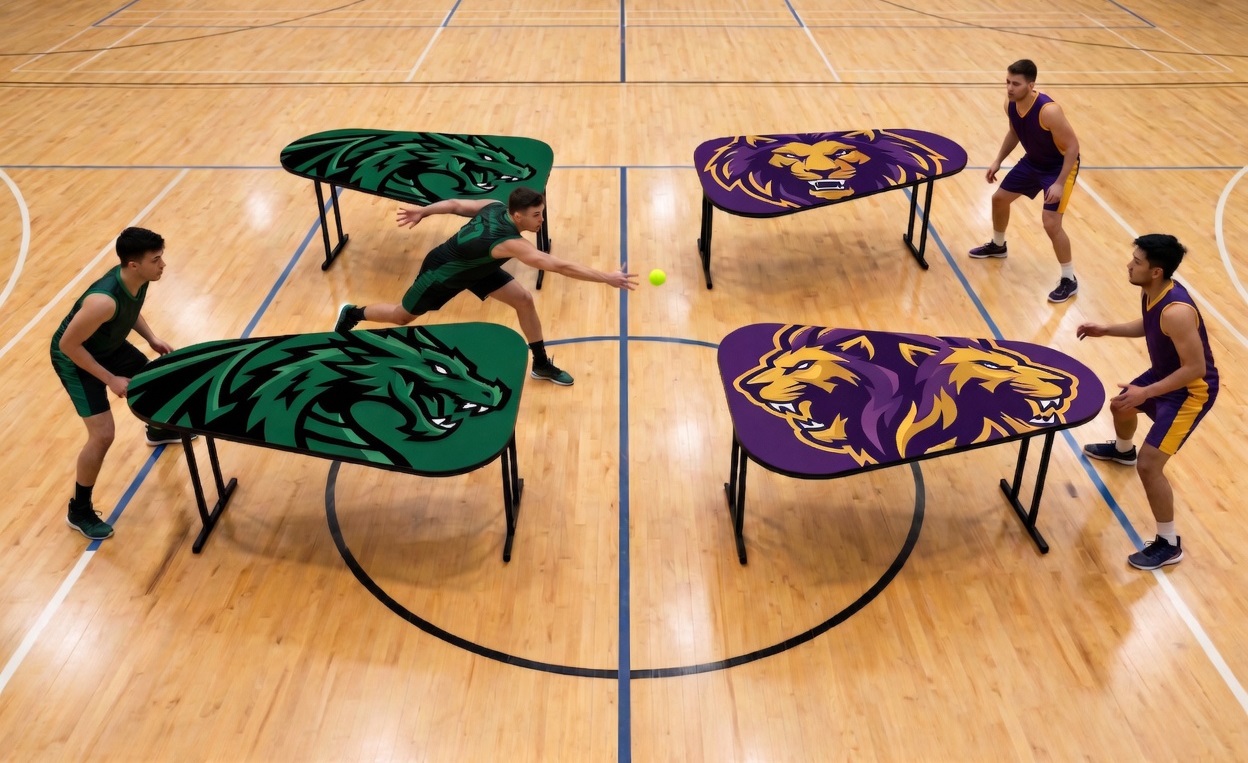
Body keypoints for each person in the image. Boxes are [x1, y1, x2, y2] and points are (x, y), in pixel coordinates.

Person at [335, 187, 637, 385]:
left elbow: (455, 204)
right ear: (516, 215)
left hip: (479, 267)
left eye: (542, 213)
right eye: (536, 215)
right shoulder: (512, 243)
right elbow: (559, 266)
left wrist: (425, 211)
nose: (541, 220)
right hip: (443, 274)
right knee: (402, 316)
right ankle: (353, 313)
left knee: (523, 299)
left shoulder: (495, 206)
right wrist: (606, 278)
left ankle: (541, 363)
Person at [1077, 234, 1218, 570]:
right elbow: (1150, 325)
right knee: (1120, 405)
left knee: (1150, 466)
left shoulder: (1177, 311)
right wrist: (1106, 329)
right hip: (1165, 375)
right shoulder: (1152, 292)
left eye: (1137, 262)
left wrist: (1147, 392)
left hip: (1190, 392)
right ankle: (1123, 451)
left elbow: (1195, 369)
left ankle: (1168, 544)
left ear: (1156, 271)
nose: (1129, 265)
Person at [51, 227, 186, 541]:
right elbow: (69, 345)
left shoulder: (138, 279)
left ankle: (157, 431)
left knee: (152, 380)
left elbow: (131, 310)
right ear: (134, 265)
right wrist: (110, 378)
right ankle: (79, 511)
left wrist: (151, 338)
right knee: (103, 435)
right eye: (156, 259)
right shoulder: (102, 302)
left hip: (106, 346)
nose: (163, 264)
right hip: (75, 358)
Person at [969, 59, 1082, 304]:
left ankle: (1069, 278)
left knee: (1051, 223)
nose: (1010, 88)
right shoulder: (1010, 104)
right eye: (1008, 82)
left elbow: (1073, 147)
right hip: (1033, 161)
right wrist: (998, 160)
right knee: (999, 199)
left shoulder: (1049, 111)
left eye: (1016, 84)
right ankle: (998, 246)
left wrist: (1059, 183)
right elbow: (1014, 132)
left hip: (1058, 167)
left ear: (1031, 86)